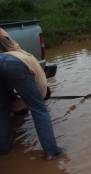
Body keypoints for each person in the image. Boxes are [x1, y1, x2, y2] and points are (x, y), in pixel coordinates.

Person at [0, 29, 61, 160]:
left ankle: (4, 149)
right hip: (15, 64)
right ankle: (52, 152)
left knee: (2, 109)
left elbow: (17, 103)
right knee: (39, 110)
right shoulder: (42, 89)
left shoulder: (18, 51)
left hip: (4, 59)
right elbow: (30, 103)